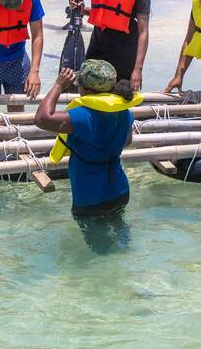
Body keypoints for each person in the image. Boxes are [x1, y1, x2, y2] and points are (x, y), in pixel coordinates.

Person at [35, 60, 143, 254]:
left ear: (84, 89)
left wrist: (58, 85)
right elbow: (127, 142)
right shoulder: (124, 112)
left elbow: (42, 119)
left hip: (90, 197)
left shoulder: (82, 116)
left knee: (101, 254)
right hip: (119, 191)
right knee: (121, 242)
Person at [69, 0, 152, 89]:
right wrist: (83, 10)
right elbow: (104, 13)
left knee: (120, 98)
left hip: (124, 52)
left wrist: (138, 69)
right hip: (98, 47)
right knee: (89, 91)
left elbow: (143, 31)